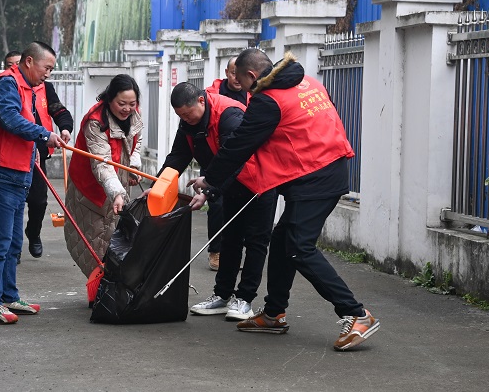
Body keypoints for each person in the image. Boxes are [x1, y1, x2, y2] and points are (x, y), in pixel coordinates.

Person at [192, 49, 380, 351]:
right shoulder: (306, 82)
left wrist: (209, 179)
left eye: (241, 82)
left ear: (252, 77)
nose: (241, 88)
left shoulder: (268, 99)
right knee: (282, 241)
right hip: (328, 167)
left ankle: (356, 314)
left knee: (298, 246)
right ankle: (274, 313)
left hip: (315, 176)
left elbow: (240, 144)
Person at [150, 82, 276, 321]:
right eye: (180, 116)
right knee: (229, 239)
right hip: (228, 184)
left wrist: (208, 190)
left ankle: (245, 299)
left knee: (256, 241)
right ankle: (222, 295)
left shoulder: (229, 115)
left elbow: (235, 158)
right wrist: (158, 185)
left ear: (201, 100)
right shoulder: (188, 122)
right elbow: (178, 156)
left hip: (259, 181)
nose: (186, 120)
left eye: (188, 114)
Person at [0, 42, 66, 325]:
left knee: (12, 242)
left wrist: (44, 139)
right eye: (46, 68)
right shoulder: (8, 83)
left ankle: (9, 296)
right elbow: (9, 118)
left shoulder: (32, 87)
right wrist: (44, 135)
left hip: (19, 171)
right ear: (30, 61)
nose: (48, 74)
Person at [65, 74, 143, 279]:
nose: (127, 108)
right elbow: (102, 163)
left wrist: (133, 164)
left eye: (132, 103)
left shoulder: (134, 114)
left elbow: (138, 138)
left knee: (117, 240)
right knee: (95, 245)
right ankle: (99, 292)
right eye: (121, 103)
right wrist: (117, 192)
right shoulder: (96, 122)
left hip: (120, 183)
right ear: (109, 99)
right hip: (90, 188)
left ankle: (111, 290)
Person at [3, 50, 74, 262]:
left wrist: (64, 128)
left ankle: (32, 233)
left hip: (36, 156)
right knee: (12, 203)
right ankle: (12, 250)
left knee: (38, 201)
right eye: (11, 65)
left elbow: (59, 111)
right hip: (11, 155)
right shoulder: (6, 86)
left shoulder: (44, 88)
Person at [203, 57, 251, 271]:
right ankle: (215, 251)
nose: (237, 78)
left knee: (241, 207)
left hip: (243, 162)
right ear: (227, 72)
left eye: (240, 73)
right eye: (233, 73)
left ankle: (236, 251)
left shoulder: (252, 94)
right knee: (217, 204)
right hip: (216, 159)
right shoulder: (211, 95)